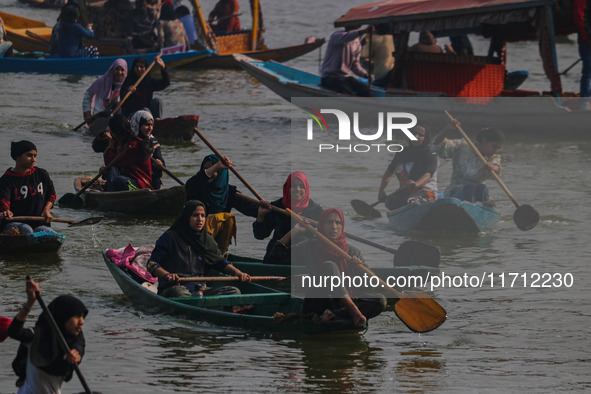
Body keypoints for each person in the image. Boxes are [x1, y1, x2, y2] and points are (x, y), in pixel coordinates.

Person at [291, 208, 386, 326]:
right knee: (329, 266)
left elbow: (372, 285)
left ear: (343, 226)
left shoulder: (352, 252)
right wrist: (295, 231)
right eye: (329, 222)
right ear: (322, 225)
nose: (334, 227)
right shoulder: (309, 246)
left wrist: (359, 269)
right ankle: (353, 312)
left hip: (340, 306)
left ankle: (333, 316)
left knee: (380, 300)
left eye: (338, 223)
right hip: (317, 302)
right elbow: (274, 257)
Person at [147, 200, 251, 298]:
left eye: (202, 216)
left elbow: (219, 262)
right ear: (186, 217)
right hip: (174, 288)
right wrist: (167, 275)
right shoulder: (169, 238)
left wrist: (237, 272)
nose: (200, 219)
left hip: (200, 291)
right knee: (179, 292)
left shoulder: (207, 240)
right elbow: (152, 264)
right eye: (195, 215)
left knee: (234, 292)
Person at [8, 277, 88, 392]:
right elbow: (14, 332)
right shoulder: (38, 335)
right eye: (77, 316)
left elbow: (79, 346)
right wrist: (29, 303)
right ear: (63, 316)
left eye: (83, 317)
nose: (82, 321)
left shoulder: (75, 338)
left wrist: (77, 354)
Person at [253, 171, 322, 264]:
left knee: (303, 239)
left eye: (301, 186)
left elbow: (325, 236)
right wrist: (260, 215)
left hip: (304, 256)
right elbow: (260, 235)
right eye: (293, 186)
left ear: (306, 189)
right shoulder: (277, 206)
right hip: (277, 254)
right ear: (287, 188)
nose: (297, 189)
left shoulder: (315, 209)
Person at [431, 122, 503, 203]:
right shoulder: (462, 146)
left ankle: (483, 208)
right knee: (470, 187)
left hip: (478, 193)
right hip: (456, 192)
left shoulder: (493, 158)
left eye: (498, 148)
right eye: (494, 146)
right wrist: (446, 130)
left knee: (482, 188)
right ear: (484, 141)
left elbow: (497, 168)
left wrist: (494, 168)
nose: (496, 150)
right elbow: (438, 146)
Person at [0, 141, 56, 234]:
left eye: (35, 156)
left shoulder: (41, 174)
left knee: (49, 233)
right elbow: (3, 200)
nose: (33, 159)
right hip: (14, 224)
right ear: (18, 156)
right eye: (29, 155)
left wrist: (46, 210)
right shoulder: (6, 180)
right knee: (27, 230)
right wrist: (6, 211)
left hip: (39, 223)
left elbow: (52, 195)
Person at [378, 125, 438, 210]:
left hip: (425, 192)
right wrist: (381, 191)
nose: (415, 137)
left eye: (420, 135)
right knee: (389, 202)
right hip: (405, 193)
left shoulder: (431, 155)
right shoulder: (401, 153)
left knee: (411, 202)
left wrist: (416, 184)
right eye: (413, 133)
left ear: (425, 138)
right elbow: (389, 173)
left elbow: (428, 175)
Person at [185, 154, 259, 217]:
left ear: (221, 173)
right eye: (207, 169)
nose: (211, 173)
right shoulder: (196, 188)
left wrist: (264, 208)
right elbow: (190, 185)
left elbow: (251, 208)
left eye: (215, 170)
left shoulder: (229, 192)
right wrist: (216, 167)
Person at [103, 114, 154, 191]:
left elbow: (112, 160)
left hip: (140, 184)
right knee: (112, 169)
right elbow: (110, 164)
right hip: (126, 179)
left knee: (120, 180)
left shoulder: (133, 145)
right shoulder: (121, 143)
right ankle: (112, 195)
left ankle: (116, 195)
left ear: (117, 132)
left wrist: (111, 146)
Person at [320, 25, 373, 97]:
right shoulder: (336, 36)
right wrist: (363, 31)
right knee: (345, 89)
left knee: (364, 89)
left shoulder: (357, 43)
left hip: (345, 76)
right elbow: (348, 36)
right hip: (329, 77)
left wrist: (365, 74)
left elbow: (355, 65)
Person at [82, 58, 128, 126]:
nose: (119, 72)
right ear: (113, 69)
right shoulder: (102, 80)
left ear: (125, 72)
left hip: (114, 119)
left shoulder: (125, 84)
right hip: (98, 117)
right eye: (117, 69)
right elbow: (87, 96)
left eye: (122, 70)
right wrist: (87, 114)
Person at [129, 109, 166, 189]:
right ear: (138, 124)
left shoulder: (153, 142)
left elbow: (160, 162)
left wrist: (159, 163)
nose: (150, 128)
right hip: (132, 179)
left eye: (152, 125)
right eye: (147, 124)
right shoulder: (129, 140)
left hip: (149, 181)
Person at [360, 23, 394, 88]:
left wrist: (367, 36)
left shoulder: (374, 39)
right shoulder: (393, 38)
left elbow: (362, 55)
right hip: (393, 73)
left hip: (382, 76)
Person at [574, 0, 591, 100]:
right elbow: (579, 16)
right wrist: (588, 37)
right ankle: (584, 101)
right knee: (588, 72)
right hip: (587, 41)